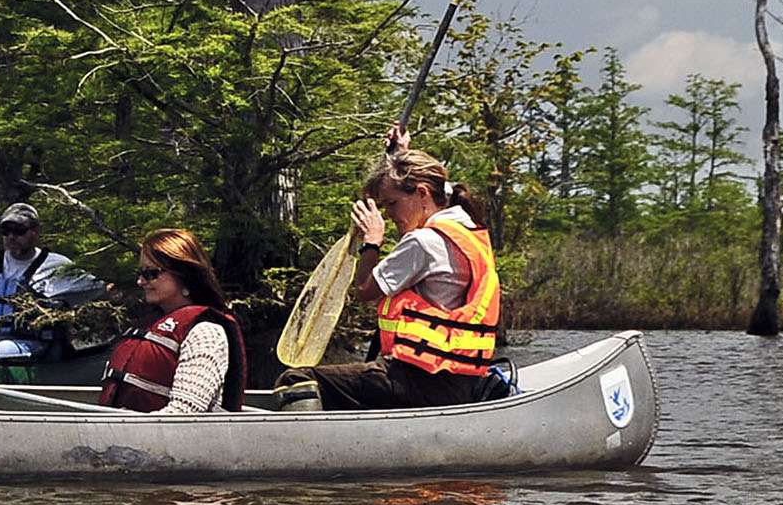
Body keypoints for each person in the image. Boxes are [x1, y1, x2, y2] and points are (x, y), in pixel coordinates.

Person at [277, 132, 502, 410]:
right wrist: (398, 156)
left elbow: (365, 290)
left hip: (419, 382)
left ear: (422, 193)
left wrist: (372, 241)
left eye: (392, 204)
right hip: (456, 381)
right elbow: (427, 185)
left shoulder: (423, 242)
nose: (389, 214)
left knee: (295, 379)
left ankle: (310, 449)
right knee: (361, 376)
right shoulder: (467, 230)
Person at [97, 229, 246, 413]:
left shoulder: (206, 332)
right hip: (125, 436)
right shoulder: (147, 324)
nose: (140, 281)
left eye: (151, 273)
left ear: (183, 274)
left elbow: (185, 413)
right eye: (141, 272)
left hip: (170, 439)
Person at [0, 200, 103, 358]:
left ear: (35, 231)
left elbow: (100, 290)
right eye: (6, 231)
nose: (11, 236)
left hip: (36, 346)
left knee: (2, 350)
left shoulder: (57, 266)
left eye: (19, 230)